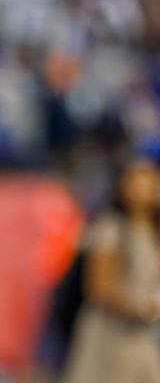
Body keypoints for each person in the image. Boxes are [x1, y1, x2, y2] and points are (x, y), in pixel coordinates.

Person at [64, 156, 160, 382]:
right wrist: (139, 307)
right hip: (111, 334)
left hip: (142, 336)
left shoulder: (152, 231)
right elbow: (97, 287)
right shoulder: (111, 228)